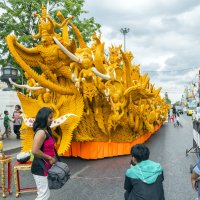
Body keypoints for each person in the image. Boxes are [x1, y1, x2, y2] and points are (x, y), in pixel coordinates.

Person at [31, 107, 56, 200]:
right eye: (50, 118)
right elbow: (35, 150)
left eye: (52, 117)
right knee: (44, 195)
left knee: (43, 193)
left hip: (45, 167)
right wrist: (49, 158)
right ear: (43, 118)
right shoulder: (41, 132)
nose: (52, 120)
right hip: (40, 168)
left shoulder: (47, 130)